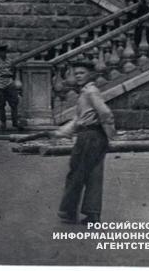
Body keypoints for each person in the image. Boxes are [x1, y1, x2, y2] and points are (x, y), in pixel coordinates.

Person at [56, 60, 116, 224]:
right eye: (76, 74)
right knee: (93, 175)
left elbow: (105, 113)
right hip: (94, 135)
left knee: (76, 173)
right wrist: (62, 132)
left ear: (91, 75)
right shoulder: (86, 92)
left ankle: (68, 212)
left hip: (89, 136)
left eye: (82, 73)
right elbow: (79, 118)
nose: (78, 76)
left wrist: (110, 133)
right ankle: (92, 213)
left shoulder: (90, 92)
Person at [0, 44, 23, 130]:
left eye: (4, 51)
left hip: (9, 84)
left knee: (14, 104)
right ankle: (3, 123)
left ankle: (15, 122)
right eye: (1, 52)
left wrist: (11, 81)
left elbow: (14, 72)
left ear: (6, 52)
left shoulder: (10, 62)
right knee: (1, 104)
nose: (2, 53)